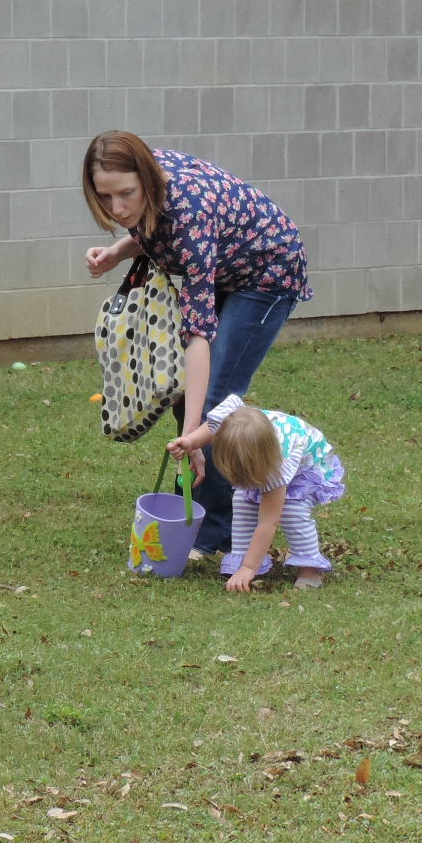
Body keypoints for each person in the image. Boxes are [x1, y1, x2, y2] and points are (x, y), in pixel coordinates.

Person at [81, 131, 311, 564]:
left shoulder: (189, 215)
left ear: (148, 179)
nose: (117, 208)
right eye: (105, 195)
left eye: (126, 194)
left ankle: (213, 533)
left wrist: (191, 434)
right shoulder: (146, 181)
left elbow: (197, 334)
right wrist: (117, 252)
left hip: (267, 273)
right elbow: (150, 231)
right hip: (225, 265)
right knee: (197, 401)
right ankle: (202, 509)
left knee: (215, 398)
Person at [168, 396, 345, 591]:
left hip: (308, 466)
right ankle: (243, 556)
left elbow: (268, 523)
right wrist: (190, 442)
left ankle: (310, 569)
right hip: (268, 451)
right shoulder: (231, 420)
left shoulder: (276, 470)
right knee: (243, 500)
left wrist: (248, 568)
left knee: (292, 511)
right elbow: (211, 426)